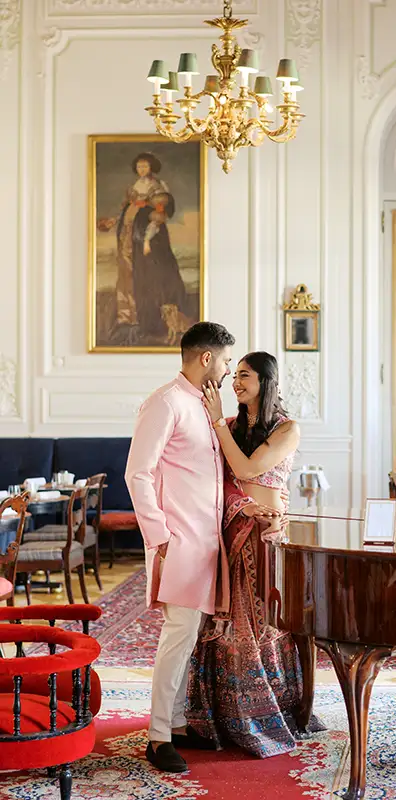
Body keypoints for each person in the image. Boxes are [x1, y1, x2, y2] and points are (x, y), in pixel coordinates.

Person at [125, 323, 277, 774]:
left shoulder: (206, 408)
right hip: (179, 540)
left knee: (188, 634)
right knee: (177, 636)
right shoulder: (165, 402)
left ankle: (172, 723)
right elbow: (138, 473)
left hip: (206, 539)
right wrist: (161, 537)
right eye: (228, 361)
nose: (230, 370)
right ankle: (157, 738)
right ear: (207, 359)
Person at [186, 351, 324, 757]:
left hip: (270, 536)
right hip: (234, 532)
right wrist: (241, 506)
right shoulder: (228, 426)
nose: (236, 382)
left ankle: (275, 709)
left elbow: (248, 469)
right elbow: (220, 480)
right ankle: (231, 716)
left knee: (271, 621)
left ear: (266, 381)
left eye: (245, 376)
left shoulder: (288, 429)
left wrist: (216, 423)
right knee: (231, 622)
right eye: (236, 376)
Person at [98, 152, 189, 346]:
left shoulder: (158, 186)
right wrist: (113, 221)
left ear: (152, 167)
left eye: (145, 166)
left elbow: (161, 211)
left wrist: (149, 214)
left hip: (146, 235)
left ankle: (149, 320)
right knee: (127, 272)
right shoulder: (133, 187)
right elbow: (125, 208)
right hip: (126, 234)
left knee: (147, 273)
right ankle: (127, 317)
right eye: (139, 167)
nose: (142, 170)